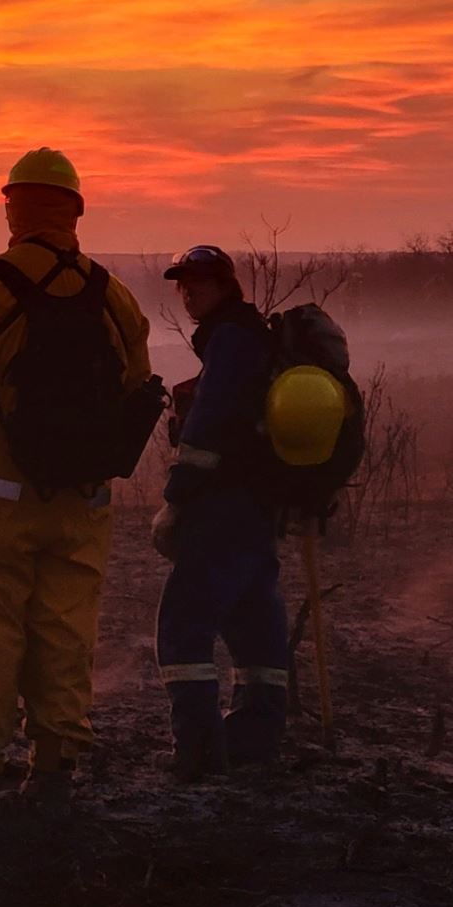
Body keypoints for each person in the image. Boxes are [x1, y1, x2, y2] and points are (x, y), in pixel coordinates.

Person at [0, 149, 155, 820]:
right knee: (66, 632)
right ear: (75, 209)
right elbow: (135, 397)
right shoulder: (114, 296)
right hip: (81, 505)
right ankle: (54, 770)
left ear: (12, 207)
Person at [151, 245, 291, 779]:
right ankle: (256, 739)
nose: (189, 293)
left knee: (183, 626)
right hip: (256, 505)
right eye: (183, 284)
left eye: (201, 284)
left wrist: (175, 501)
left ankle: (200, 749)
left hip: (224, 505)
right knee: (255, 622)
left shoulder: (231, 339)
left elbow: (207, 430)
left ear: (225, 286)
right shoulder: (249, 335)